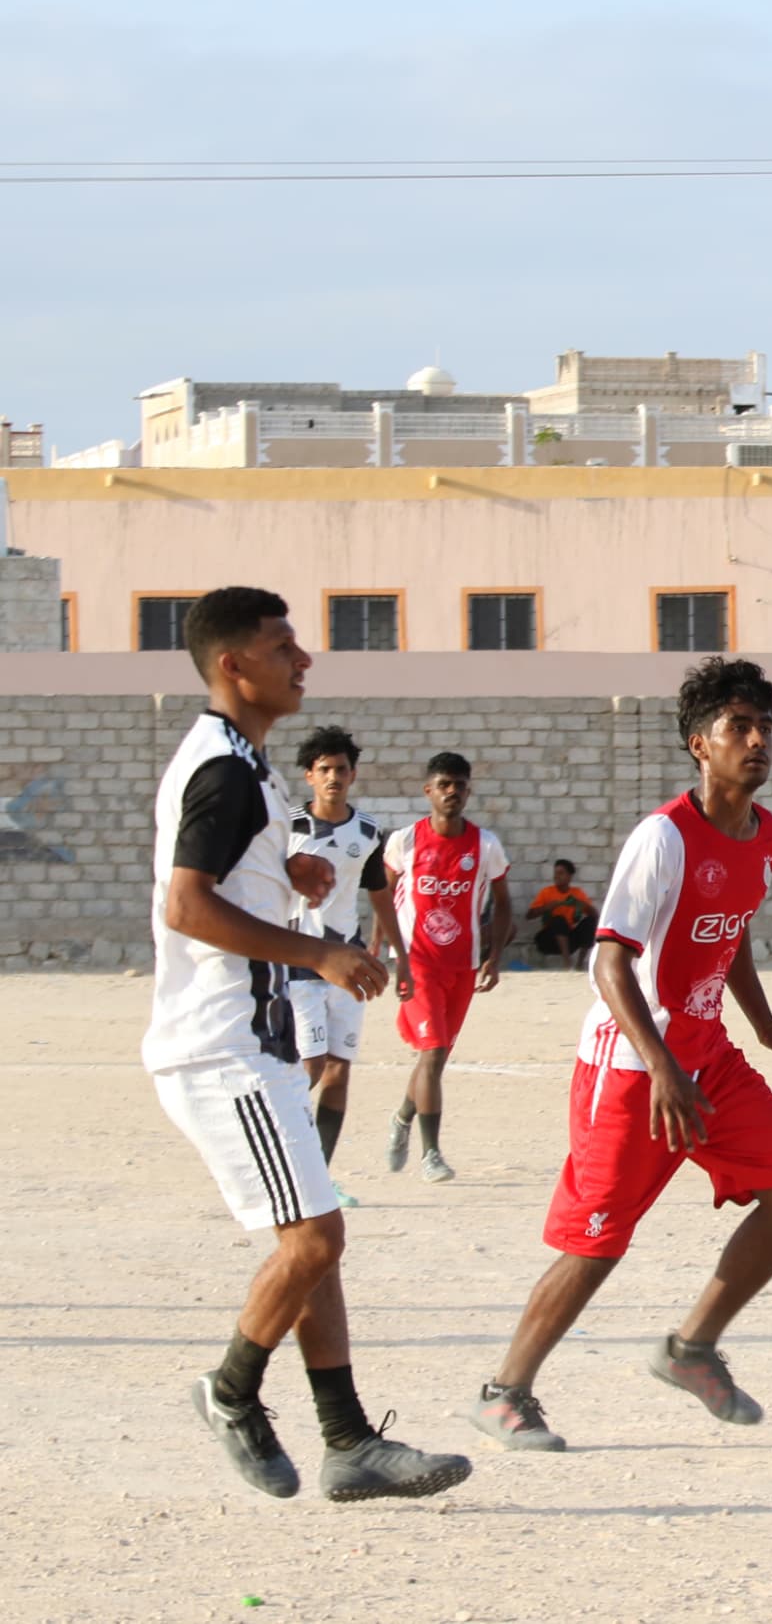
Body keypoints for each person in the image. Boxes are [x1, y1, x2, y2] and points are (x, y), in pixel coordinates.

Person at [146, 587, 472, 1503]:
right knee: (316, 1236)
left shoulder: (247, 765)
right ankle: (231, 1388)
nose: (304, 658)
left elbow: (219, 874)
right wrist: (320, 950)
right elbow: (185, 903)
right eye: (283, 644)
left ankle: (348, 1440)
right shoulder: (223, 766)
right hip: (221, 1045)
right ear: (232, 665)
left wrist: (282, 871)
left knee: (314, 1234)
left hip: (255, 1041)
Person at [469, 658, 772, 1451]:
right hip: (633, 1066)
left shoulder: (767, 835)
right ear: (700, 743)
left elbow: (729, 933)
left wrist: (766, 1027)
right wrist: (661, 1064)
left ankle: (690, 1349)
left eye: (766, 726)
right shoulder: (661, 837)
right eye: (740, 726)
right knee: (598, 1241)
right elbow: (609, 960)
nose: (758, 740)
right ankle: (504, 1390)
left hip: (709, 1054)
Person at [379, 751, 512, 1183]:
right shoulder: (406, 842)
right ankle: (431, 1153)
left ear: (468, 791)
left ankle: (401, 1117)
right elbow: (383, 896)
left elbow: (504, 903)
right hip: (417, 963)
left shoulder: (485, 845)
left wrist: (494, 956)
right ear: (429, 791)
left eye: (459, 785)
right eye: (444, 785)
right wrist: (381, 951)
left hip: (463, 965)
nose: (452, 792)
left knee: (434, 1058)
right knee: (433, 1052)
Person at [287, 726, 396, 1209]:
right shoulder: (285, 829)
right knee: (307, 1067)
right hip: (299, 962)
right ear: (309, 776)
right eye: (324, 769)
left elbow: (380, 896)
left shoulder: (369, 833)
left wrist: (400, 957)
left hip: (349, 964)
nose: (334, 777)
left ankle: (318, 1180)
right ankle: (281, 1162)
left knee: (338, 1071)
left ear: (353, 775)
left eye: (342, 769)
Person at [529, 859, 598, 968]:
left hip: (569, 939)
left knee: (591, 922)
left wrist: (581, 904)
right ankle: (567, 963)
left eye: (561, 873)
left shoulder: (577, 893)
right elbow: (529, 915)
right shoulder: (547, 892)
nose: (556, 876)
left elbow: (595, 915)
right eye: (555, 873)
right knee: (559, 920)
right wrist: (547, 907)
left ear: (569, 876)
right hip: (549, 939)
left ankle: (579, 964)